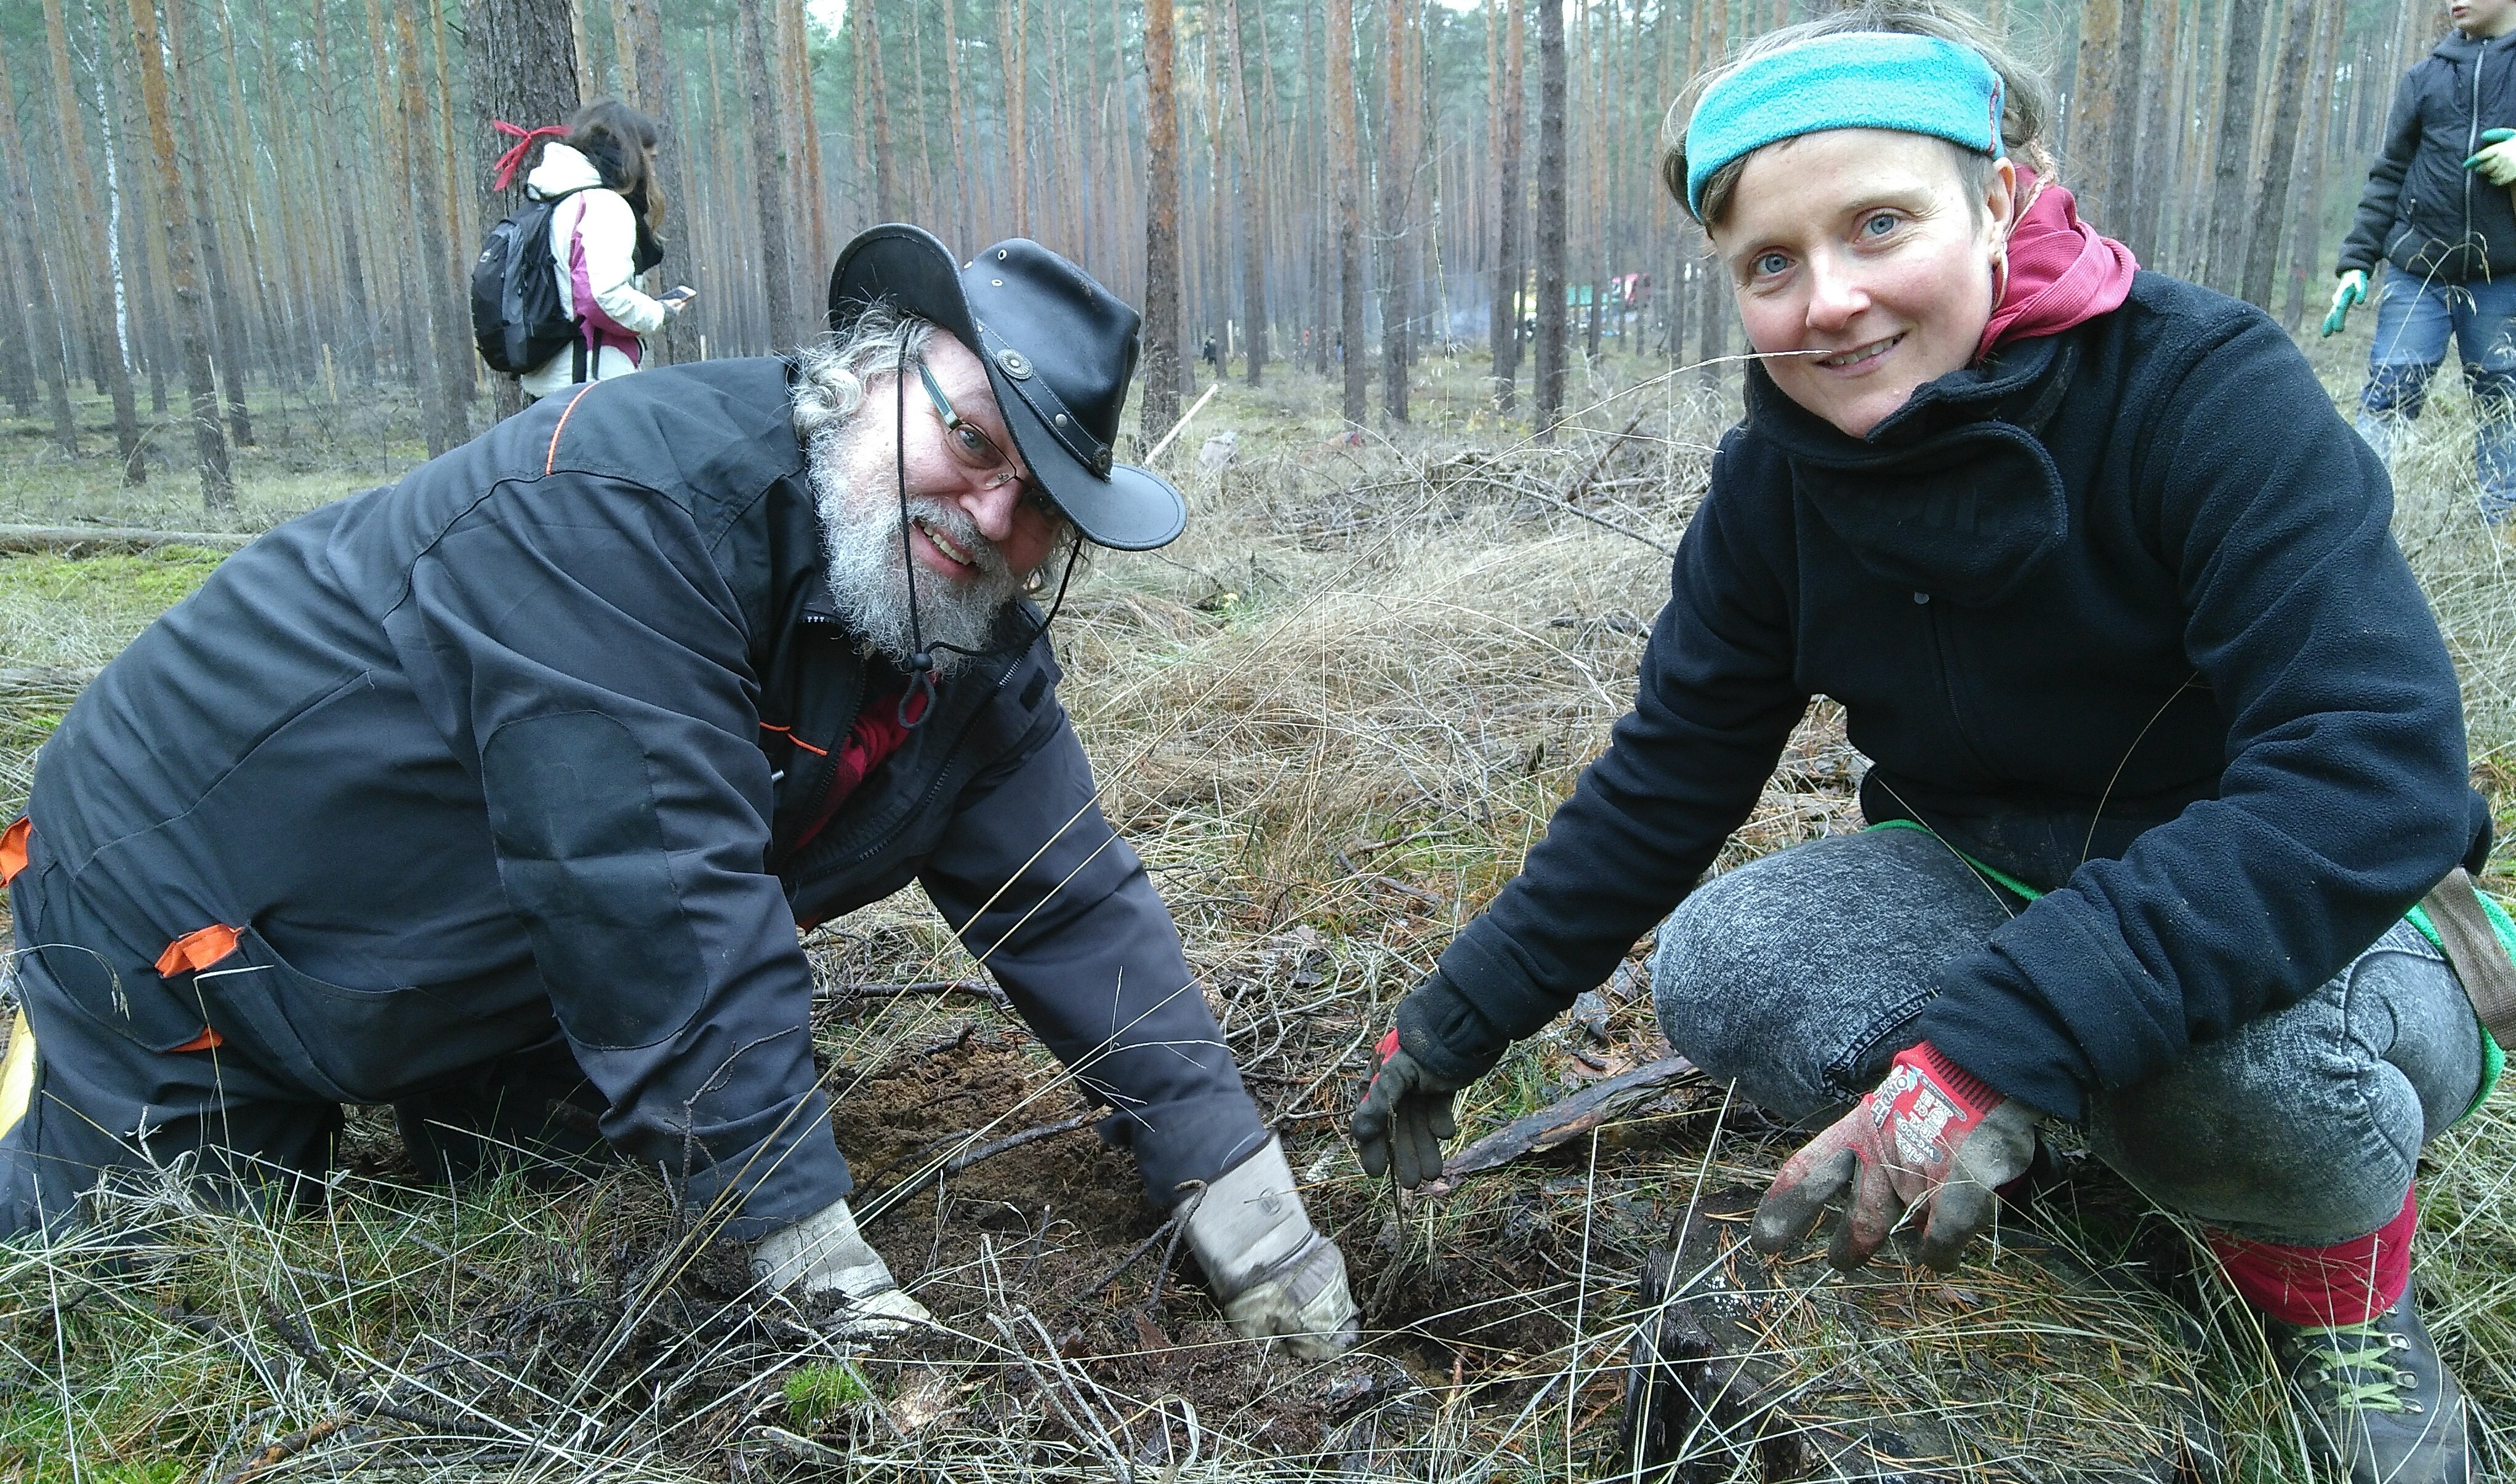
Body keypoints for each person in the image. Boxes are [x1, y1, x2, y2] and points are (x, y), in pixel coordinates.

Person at [1349, 4, 2499, 1480]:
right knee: (1724, 965)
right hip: (1992, 874)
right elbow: (1668, 770)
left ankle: (2338, 1288)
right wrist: (1457, 1015)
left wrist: (1993, 1041)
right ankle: (2060, 1133)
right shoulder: (1774, 477)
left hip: (2323, 921)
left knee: (2232, 1082)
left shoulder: (2199, 388)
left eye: (1877, 223)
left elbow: (2366, 774)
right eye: (1768, 263)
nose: (1825, 302)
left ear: (2002, 194)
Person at [0, 223, 1358, 1358]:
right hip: (182, 907)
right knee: (138, 1288)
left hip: (489, 972)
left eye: (1043, 499)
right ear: (868, 375)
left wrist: (1254, 1215)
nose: (993, 517)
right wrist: (834, 1288)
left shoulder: (963, 633)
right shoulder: (626, 504)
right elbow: (658, 896)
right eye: (973, 442)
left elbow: (1069, 901)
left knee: (559, 1224)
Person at [2325, 0, 2516, 522]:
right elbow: (2388, 175)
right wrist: (2356, 263)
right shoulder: (2424, 77)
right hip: (2419, 272)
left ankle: (2500, 533)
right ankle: (2356, 518)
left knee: (2503, 398)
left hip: (2503, 275)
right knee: (2390, 387)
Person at [518, 99, 688, 399]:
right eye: (651, 159)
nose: (653, 171)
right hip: (592, 388)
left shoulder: (552, 201)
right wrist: (658, 312)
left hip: (550, 384)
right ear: (633, 158)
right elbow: (602, 296)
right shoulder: (603, 205)